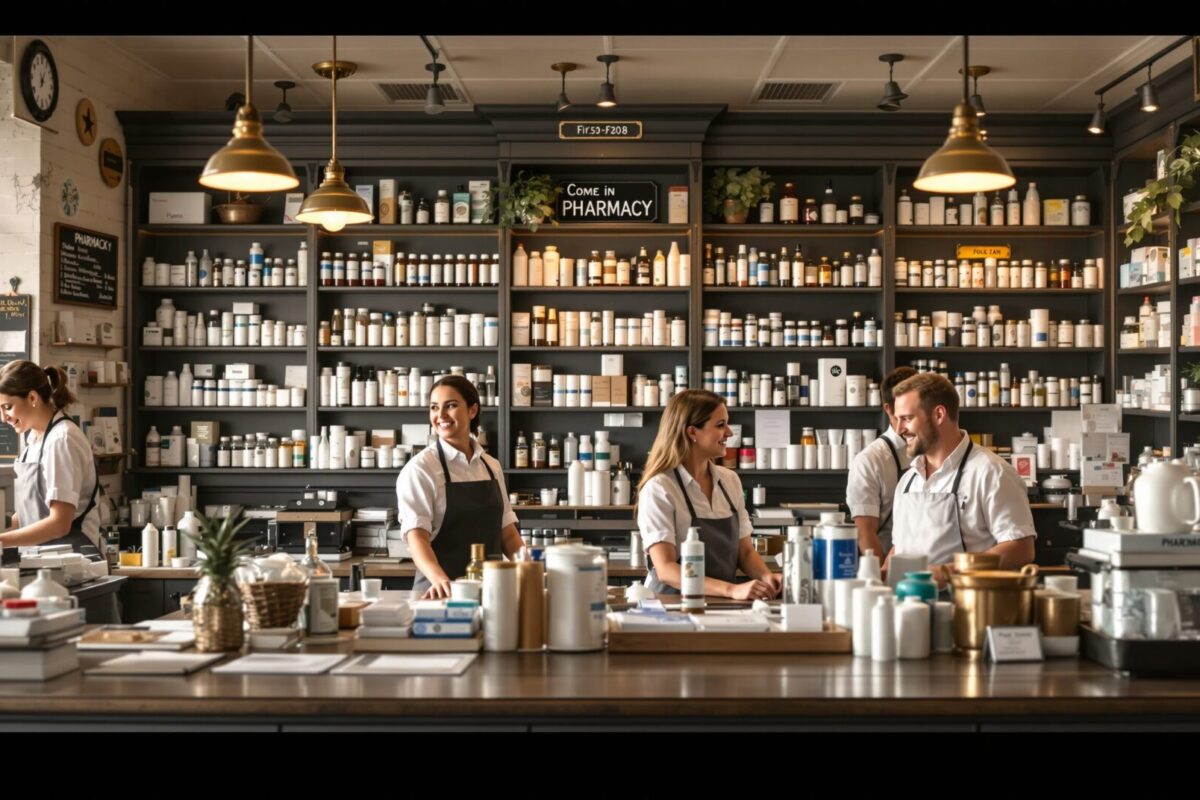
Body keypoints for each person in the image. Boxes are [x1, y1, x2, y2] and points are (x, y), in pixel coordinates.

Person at [888, 372, 1036, 585]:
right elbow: (900, 547)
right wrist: (880, 575)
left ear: (939, 415)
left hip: (969, 606)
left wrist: (949, 572)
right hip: (910, 607)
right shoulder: (908, 481)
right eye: (897, 419)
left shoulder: (991, 472)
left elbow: (1021, 548)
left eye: (907, 419)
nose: (899, 429)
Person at [636, 389, 780, 600]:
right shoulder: (660, 488)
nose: (729, 433)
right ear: (692, 432)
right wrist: (732, 589)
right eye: (720, 425)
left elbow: (745, 552)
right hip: (672, 605)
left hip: (721, 603)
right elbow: (666, 569)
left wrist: (768, 578)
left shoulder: (730, 481)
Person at [395, 374, 523, 598]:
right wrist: (440, 579)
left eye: (451, 406)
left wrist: (533, 570)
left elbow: (508, 534)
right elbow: (417, 537)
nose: (440, 415)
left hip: (490, 593)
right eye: (434, 407)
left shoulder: (491, 466)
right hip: (440, 594)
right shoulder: (421, 469)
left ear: (472, 410)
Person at [0, 361, 101, 551]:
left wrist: (2, 541)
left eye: (7, 407)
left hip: (74, 562)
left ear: (32, 398)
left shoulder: (62, 439)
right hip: (42, 559)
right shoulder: (33, 440)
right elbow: (28, 514)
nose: (3, 418)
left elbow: (59, 523)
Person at [846, 366, 917, 557]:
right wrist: (882, 579)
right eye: (905, 414)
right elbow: (866, 534)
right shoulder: (869, 461)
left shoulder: (932, 452)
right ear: (889, 408)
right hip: (889, 569)